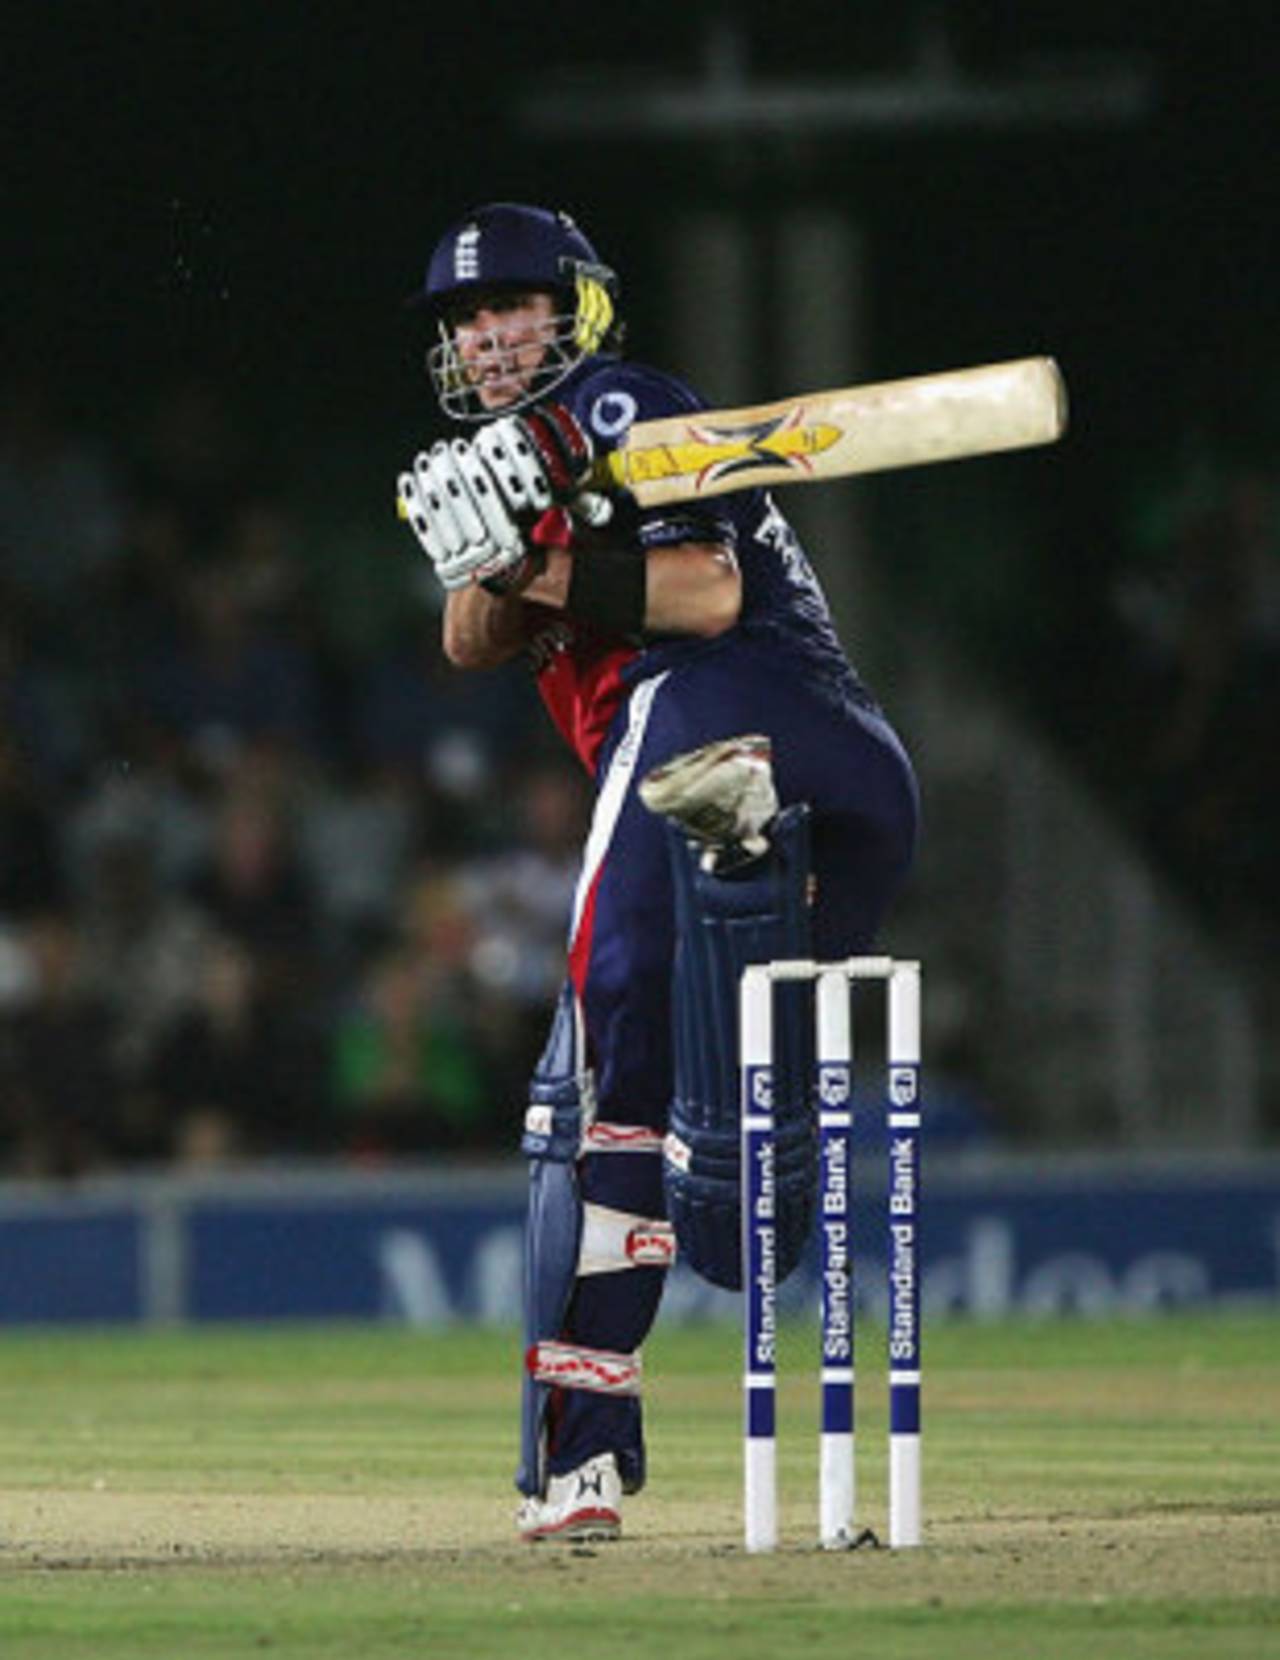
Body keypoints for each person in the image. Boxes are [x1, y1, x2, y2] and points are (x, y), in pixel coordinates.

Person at [398, 203, 919, 1542]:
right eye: (465, 319)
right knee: (729, 1177)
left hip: (715, 709)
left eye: (508, 305)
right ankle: (742, 883)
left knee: (595, 1087)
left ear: (573, 306)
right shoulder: (523, 454)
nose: (485, 334)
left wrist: (551, 483)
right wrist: (502, 537)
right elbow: (470, 639)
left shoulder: (626, 399)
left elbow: (704, 598)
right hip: (846, 781)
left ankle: (578, 1449)